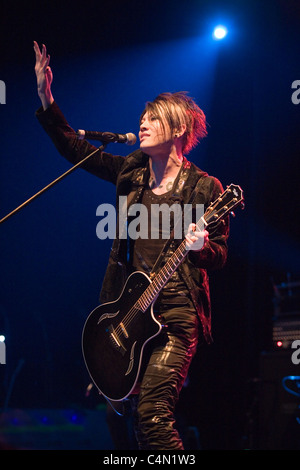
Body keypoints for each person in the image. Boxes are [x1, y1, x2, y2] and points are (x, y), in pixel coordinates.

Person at [33, 42, 229, 450]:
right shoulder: (131, 174)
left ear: (177, 129)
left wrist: (200, 248)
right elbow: (75, 148)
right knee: (119, 416)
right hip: (132, 312)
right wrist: (47, 98)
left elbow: (219, 256)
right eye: (141, 116)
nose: (141, 123)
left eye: (152, 118)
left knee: (153, 417)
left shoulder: (205, 188)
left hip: (175, 315)